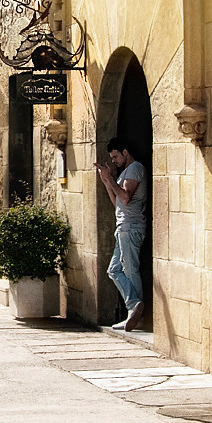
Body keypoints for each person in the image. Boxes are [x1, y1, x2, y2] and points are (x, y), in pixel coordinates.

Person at [94, 137, 148, 331]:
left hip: (131, 227)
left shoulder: (134, 169)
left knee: (130, 270)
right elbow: (116, 202)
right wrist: (107, 183)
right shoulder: (126, 172)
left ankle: (135, 313)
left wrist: (111, 180)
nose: (114, 160)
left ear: (125, 152)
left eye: (116, 156)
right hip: (123, 226)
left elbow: (125, 197)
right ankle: (134, 308)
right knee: (114, 270)